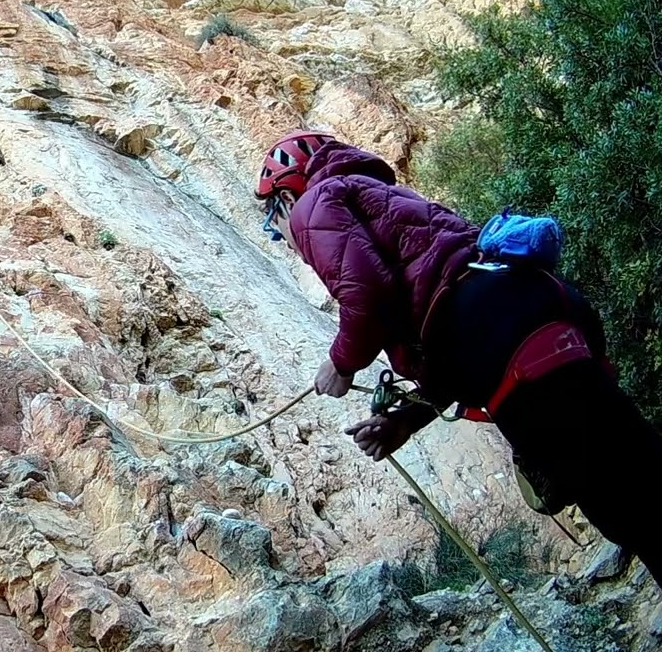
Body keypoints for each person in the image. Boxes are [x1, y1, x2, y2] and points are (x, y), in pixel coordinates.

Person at [254, 129, 662, 583]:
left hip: (496, 335)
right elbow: (450, 338)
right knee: (637, 467)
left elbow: (367, 292)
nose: (287, 242)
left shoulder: (313, 206)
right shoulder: (389, 198)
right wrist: (403, 421)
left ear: (285, 198)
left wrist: (342, 363)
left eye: (276, 230)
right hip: (540, 308)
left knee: (619, 501)